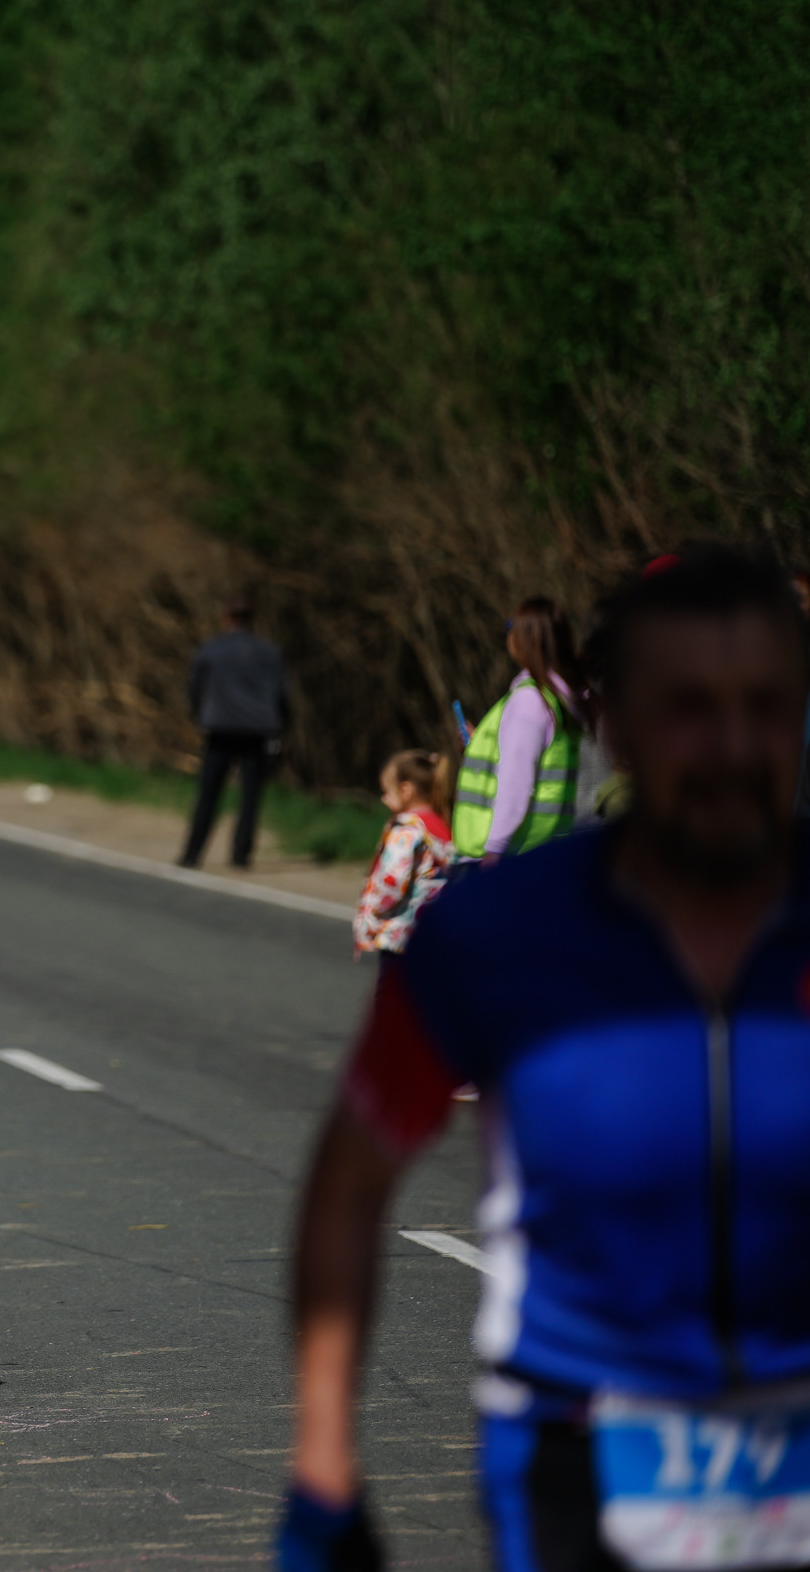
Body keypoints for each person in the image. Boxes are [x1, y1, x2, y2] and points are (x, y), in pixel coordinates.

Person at [278, 545, 810, 1572]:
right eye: (689, 707)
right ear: (617, 724)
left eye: (766, 705)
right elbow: (348, 1185)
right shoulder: (498, 935)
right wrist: (323, 1461)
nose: (731, 745)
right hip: (577, 1443)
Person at [452, 597, 584, 866]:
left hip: (510, 856)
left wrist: (494, 850)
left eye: (510, 626)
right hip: (547, 850)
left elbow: (516, 782)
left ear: (524, 637)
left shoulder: (530, 701)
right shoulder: (563, 696)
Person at [180, 596, 287, 869]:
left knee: (208, 794)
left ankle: (192, 853)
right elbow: (282, 695)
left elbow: (194, 688)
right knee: (250, 797)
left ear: (226, 617)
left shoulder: (212, 649)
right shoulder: (269, 652)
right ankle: (241, 855)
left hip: (219, 729)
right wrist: (280, 728)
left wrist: (200, 716)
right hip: (257, 731)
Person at [350, 750, 452, 960]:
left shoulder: (406, 832)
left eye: (387, 791)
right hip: (432, 930)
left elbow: (392, 880)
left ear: (406, 790)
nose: (384, 798)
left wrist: (373, 912)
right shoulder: (442, 828)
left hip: (399, 935)